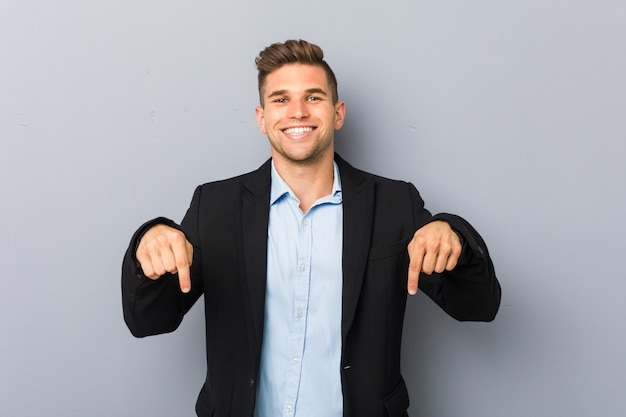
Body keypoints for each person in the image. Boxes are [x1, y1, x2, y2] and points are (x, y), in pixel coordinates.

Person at [122, 39, 501, 417]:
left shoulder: (393, 204)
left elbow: (478, 306)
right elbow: (148, 321)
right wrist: (148, 242)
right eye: (281, 99)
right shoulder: (215, 206)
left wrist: (454, 235)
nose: (298, 112)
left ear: (338, 114)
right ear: (261, 117)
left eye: (314, 98)